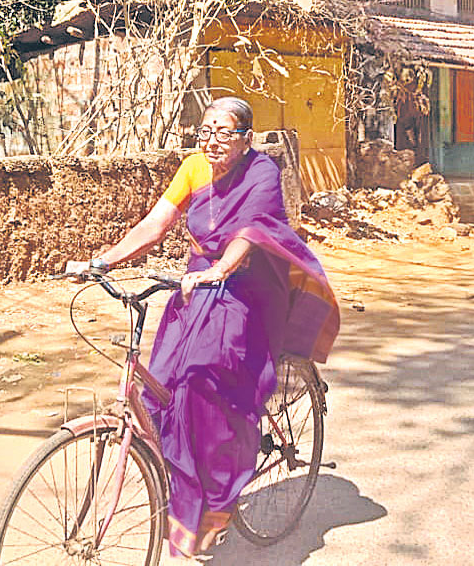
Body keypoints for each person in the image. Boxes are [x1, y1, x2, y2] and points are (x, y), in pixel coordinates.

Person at [75, 96, 340, 560]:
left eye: (224, 132)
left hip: (249, 286)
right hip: (197, 283)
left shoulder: (262, 171)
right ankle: (184, 501)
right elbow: (157, 223)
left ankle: (217, 504)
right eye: (205, 130)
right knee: (164, 385)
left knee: (203, 380)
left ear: (246, 139)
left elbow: (252, 231)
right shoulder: (194, 167)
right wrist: (101, 261)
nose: (212, 140)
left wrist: (220, 271)